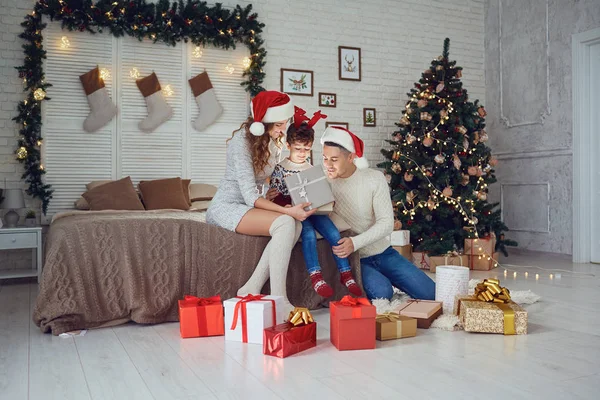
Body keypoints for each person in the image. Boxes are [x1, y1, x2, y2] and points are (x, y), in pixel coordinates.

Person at [206, 91, 316, 311]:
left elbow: (265, 178)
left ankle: (251, 287)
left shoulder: (274, 140)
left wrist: (272, 192)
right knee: (287, 221)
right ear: (262, 123)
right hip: (227, 206)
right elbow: (249, 195)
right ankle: (279, 299)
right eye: (277, 124)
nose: (282, 130)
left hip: (250, 204)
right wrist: (288, 211)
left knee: (294, 225)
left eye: (284, 124)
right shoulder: (241, 142)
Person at [319, 126, 435, 300]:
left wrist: (354, 242)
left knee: (430, 293)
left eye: (334, 159)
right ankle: (382, 282)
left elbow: (386, 223)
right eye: (325, 158)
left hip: (383, 252)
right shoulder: (322, 182)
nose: (328, 164)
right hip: (354, 259)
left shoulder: (374, 178)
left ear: (351, 157)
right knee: (382, 293)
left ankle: (391, 278)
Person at [269, 106, 362, 298]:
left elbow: (320, 192)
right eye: (298, 149)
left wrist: (327, 201)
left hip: (314, 209)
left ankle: (346, 273)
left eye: (307, 149)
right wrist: (281, 204)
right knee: (309, 235)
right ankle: (315, 276)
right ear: (288, 146)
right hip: (296, 211)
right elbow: (276, 196)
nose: (302, 153)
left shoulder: (311, 168)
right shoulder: (281, 168)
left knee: (333, 233)